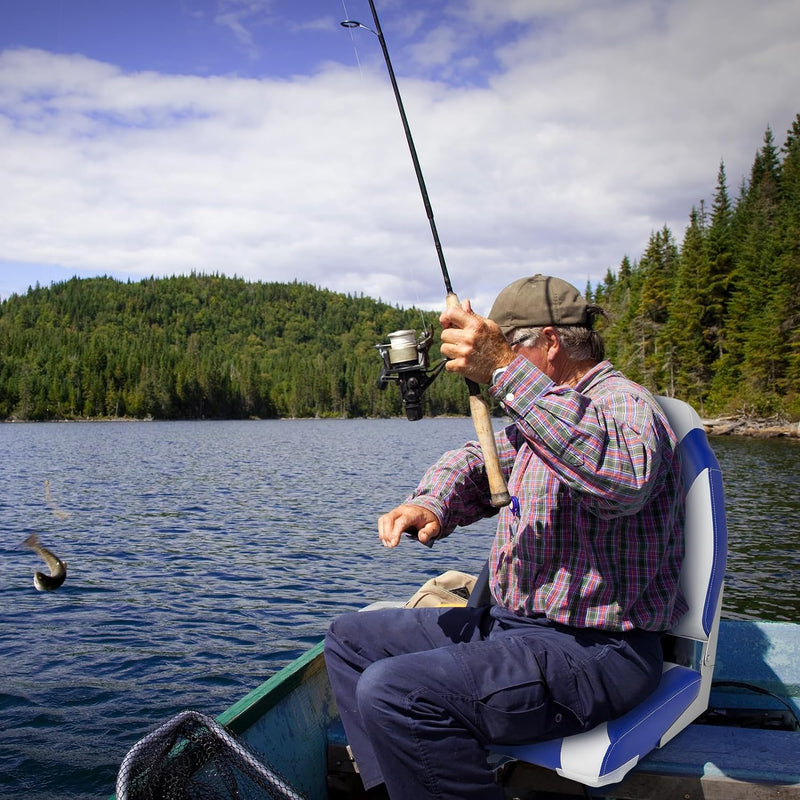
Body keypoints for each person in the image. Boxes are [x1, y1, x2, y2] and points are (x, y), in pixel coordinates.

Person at [324, 274, 687, 800]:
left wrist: (500, 369)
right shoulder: (546, 413)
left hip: (597, 651)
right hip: (509, 629)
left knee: (396, 691)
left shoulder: (623, 404)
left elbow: (622, 479)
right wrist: (430, 502)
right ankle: (398, 789)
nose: (499, 362)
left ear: (551, 341)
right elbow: (480, 463)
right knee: (350, 638)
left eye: (511, 346)